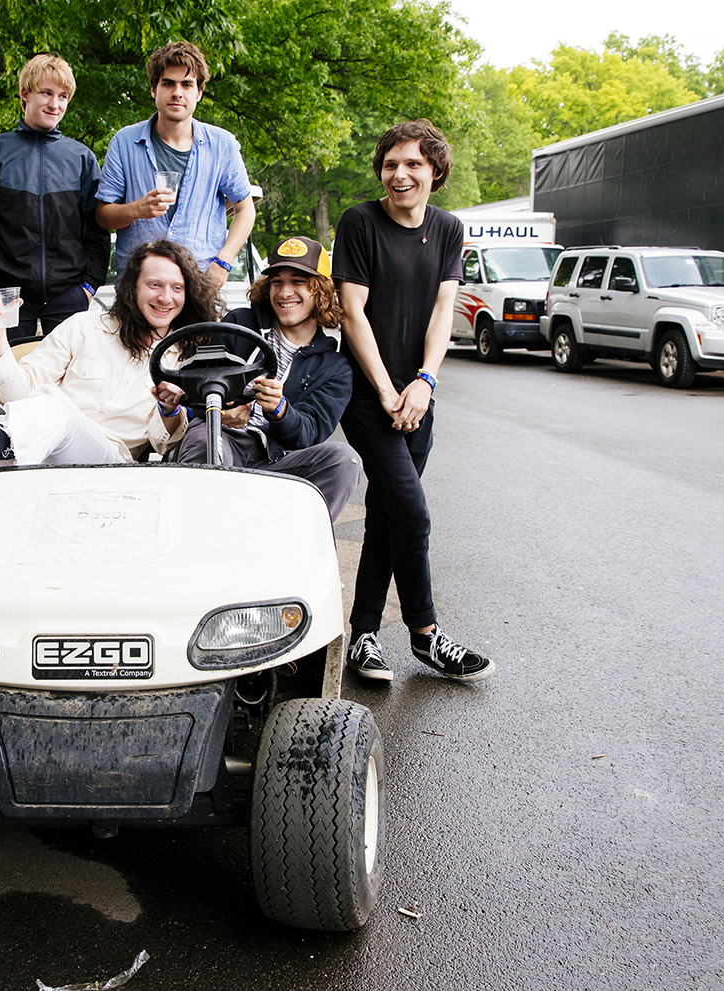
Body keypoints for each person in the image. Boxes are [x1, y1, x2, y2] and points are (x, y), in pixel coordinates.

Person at [330, 120, 495, 685]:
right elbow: (352, 313)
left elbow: (443, 311)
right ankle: (426, 636)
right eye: (391, 164)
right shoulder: (360, 223)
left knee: (387, 514)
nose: (399, 175)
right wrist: (385, 390)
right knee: (413, 511)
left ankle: (365, 638)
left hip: (417, 397)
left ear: (436, 173)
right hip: (367, 393)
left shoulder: (449, 229)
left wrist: (424, 381)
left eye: (413, 165)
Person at [0, 240, 217, 489]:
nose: (166, 298)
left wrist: (170, 410)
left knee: (55, 406)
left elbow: (165, 444)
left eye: (177, 288)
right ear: (132, 287)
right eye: (155, 285)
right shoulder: (85, 326)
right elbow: (20, 395)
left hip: (109, 463)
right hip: (36, 444)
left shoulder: (186, 355)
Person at [167, 236, 361, 521]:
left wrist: (280, 410)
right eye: (276, 282)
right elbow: (197, 389)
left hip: (278, 459)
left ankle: (293, 547)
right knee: (206, 437)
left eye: (298, 282)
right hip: (222, 438)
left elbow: (309, 432)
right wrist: (222, 409)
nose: (285, 292)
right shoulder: (240, 324)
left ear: (320, 289)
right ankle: (198, 535)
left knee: (345, 460)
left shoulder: (334, 366)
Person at [0, 54, 109, 346]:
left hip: (69, 292)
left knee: (69, 381)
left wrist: (89, 285)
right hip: (7, 292)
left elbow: (97, 230)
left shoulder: (82, 159)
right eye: (47, 93)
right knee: (6, 376)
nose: (55, 104)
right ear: (25, 94)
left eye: (63, 96)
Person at [94, 41, 254, 287]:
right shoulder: (124, 142)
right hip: (139, 284)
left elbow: (245, 210)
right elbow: (103, 216)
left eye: (187, 84)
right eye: (168, 83)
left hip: (200, 283)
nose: (177, 92)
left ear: (198, 92)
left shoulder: (222, 145)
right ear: (153, 89)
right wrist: (137, 209)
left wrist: (223, 262)